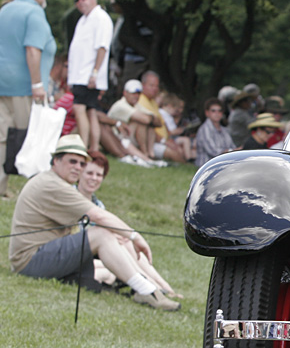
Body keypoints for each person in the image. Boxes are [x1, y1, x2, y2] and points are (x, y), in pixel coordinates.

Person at [8, 135, 180, 310]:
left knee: (109, 252)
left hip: (41, 256)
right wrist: (135, 236)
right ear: (56, 161)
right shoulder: (52, 184)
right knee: (102, 234)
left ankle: (153, 287)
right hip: (30, 261)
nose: (78, 168)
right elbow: (99, 217)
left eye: (82, 164)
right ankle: (147, 291)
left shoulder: (53, 182)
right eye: (72, 161)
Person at [76, 150, 182, 298]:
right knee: (125, 243)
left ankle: (164, 287)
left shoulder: (98, 204)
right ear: (80, 173)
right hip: (84, 253)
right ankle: (154, 287)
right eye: (90, 173)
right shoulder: (72, 198)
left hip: (101, 250)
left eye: (99, 175)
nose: (94, 178)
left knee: (128, 244)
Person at [0, 0, 56, 199]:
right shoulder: (34, 13)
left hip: (2, 83)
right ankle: (32, 192)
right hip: (23, 86)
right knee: (30, 137)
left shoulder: (5, 10)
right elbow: (32, 49)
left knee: (2, 137)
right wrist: (37, 84)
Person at [67, 0, 113, 152]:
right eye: (76, 0)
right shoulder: (84, 19)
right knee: (91, 111)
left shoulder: (100, 18)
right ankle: (93, 148)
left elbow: (102, 47)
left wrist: (95, 73)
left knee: (79, 109)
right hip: (81, 75)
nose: (80, 2)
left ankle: (83, 146)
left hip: (87, 75)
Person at [101, 78, 160, 166]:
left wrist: (150, 119)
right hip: (117, 138)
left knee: (150, 126)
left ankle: (149, 155)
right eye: (133, 93)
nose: (136, 96)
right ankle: (145, 156)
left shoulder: (136, 105)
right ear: (125, 93)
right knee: (141, 123)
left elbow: (158, 122)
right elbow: (146, 120)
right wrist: (150, 118)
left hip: (127, 137)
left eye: (138, 93)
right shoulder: (121, 105)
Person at [134, 71, 186, 163]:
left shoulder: (153, 102)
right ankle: (186, 167)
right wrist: (164, 141)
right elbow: (149, 125)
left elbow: (162, 123)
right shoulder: (141, 100)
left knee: (181, 148)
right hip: (151, 142)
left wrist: (169, 138)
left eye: (156, 86)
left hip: (163, 140)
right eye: (151, 85)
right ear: (143, 85)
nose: (155, 89)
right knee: (173, 153)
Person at [194, 98, 235, 167]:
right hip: (207, 167)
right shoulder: (205, 129)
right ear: (207, 113)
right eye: (213, 111)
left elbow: (232, 146)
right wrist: (232, 151)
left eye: (220, 111)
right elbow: (214, 152)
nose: (217, 114)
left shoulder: (225, 130)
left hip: (223, 165)